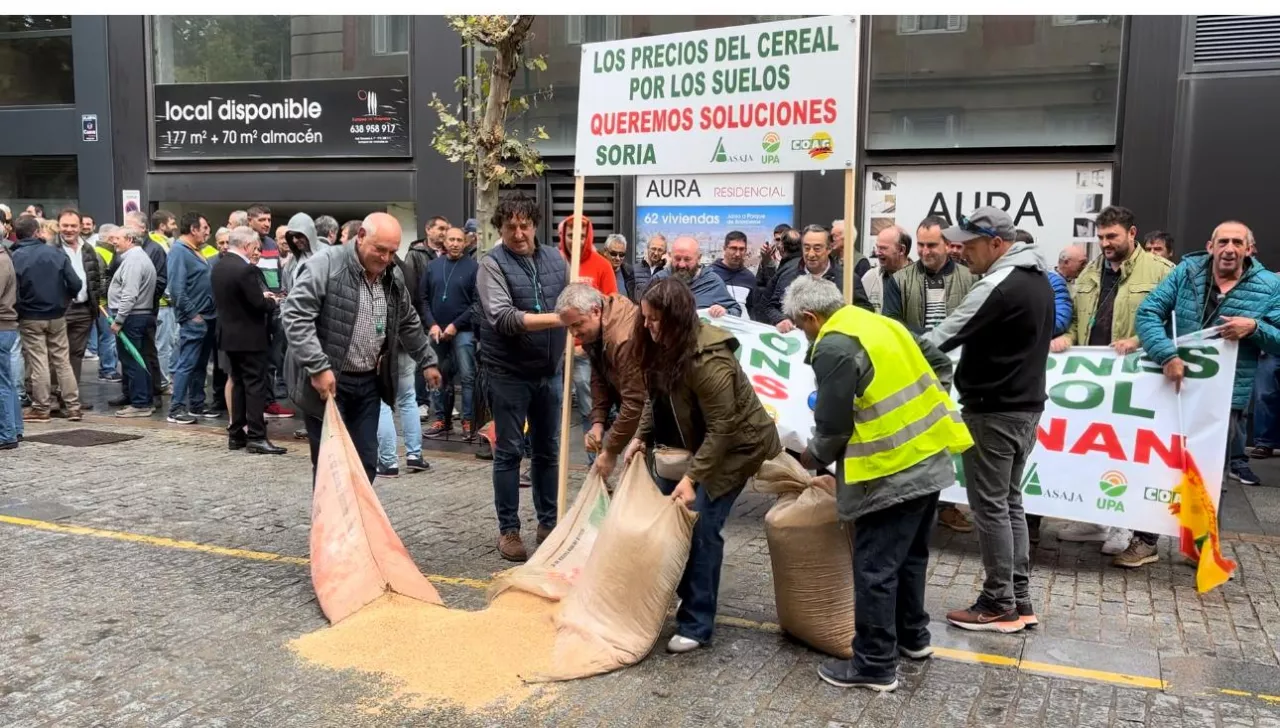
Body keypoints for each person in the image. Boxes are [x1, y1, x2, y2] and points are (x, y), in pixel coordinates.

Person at [787, 276, 970, 692]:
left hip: (888, 470)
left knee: (874, 568)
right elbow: (941, 364)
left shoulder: (832, 345)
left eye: (802, 327)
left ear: (811, 317)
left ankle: (874, 664)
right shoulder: (880, 322)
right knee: (910, 558)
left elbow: (832, 429)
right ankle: (913, 638)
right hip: (928, 457)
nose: (804, 335)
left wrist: (810, 457)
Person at [622, 277, 782, 654]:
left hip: (737, 447)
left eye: (655, 320)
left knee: (702, 525)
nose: (647, 327)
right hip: (696, 443)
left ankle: (697, 623)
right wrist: (640, 437)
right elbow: (654, 398)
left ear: (675, 320)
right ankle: (686, 592)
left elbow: (724, 426)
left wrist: (693, 478)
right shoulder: (660, 346)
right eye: (644, 319)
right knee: (668, 518)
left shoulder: (710, 360)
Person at [923, 207, 1055, 633]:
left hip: (994, 409)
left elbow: (941, 339)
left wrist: (885, 349)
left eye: (970, 244)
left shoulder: (998, 285)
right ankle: (1019, 598)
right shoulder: (1039, 278)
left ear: (997, 244)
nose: (961, 250)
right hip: (1024, 407)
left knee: (990, 509)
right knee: (1009, 503)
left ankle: (999, 602)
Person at [1133, 220, 1280, 564]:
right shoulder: (1186, 272)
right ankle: (1145, 540)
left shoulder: (1270, 285)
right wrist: (1165, 354)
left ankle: (1201, 544)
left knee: (1211, 470)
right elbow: (1149, 313)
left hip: (1226, 397)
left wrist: (1255, 328)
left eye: (1237, 243)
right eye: (1223, 241)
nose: (1229, 248)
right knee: (1159, 462)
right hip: (1174, 387)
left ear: (1249, 250)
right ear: (1210, 246)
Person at [1050, 206, 1173, 556]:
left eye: (1112, 236)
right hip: (1095, 379)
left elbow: (1174, 326)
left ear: (1132, 234)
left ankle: (1124, 523)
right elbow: (1075, 320)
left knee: (1130, 452)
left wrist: (1139, 341)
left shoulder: (1162, 272)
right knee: (1093, 449)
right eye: (1101, 237)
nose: (1105, 243)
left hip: (1138, 380)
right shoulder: (1090, 272)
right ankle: (1095, 520)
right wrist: (1068, 339)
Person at [282, 213, 440, 484]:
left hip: (367, 384)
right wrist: (318, 366)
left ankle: (355, 524)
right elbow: (295, 316)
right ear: (361, 237)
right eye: (380, 250)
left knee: (366, 462)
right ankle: (331, 526)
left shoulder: (392, 275)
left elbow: (407, 320)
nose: (385, 258)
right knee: (330, 467)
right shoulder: (326, 264)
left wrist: (427, 360)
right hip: (328, 386)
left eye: (392, 252)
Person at [476, 195, 568, 562]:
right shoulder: (490, 265)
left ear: (535, 225)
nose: (518, 233)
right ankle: (509, 530)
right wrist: (562, 318)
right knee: (510, 452)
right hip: (508, 375)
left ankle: (549, 524)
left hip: (550, 373)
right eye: (510, 226)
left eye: (524, 225)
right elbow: (504, 318)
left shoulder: (555, 260)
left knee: (548, 452)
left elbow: (568, 298)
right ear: (500, 229)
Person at [555, 283, 645, 480]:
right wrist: (597, 423)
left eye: (577, 324)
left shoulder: (622, 339)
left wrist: (611, 452)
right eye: (569, 327)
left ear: (596, 311)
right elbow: (600, 377)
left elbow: (635, 402)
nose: (574, 334)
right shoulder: (598, 326)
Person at [213, 227, 286, 455]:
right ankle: (256, 436)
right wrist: (272, 301)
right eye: (255, 247)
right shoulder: (244, 270)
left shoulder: (219, 266)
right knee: (255, 386)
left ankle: (236, 434)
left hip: (229, 335)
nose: (257, 251)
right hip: (249, 337)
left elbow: (234, 299)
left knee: (238, 383)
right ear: (246, 246)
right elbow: (257, 304)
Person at [11, 214, 83, 422]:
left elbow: (13, 290)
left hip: (30, 315)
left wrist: (20, 307)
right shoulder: (56, 254)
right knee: (62, 361)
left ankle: (41, 407)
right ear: (37, 232)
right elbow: (76, 283)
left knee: (38, 361)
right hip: (57, 314)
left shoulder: (16, 257)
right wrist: (65, 299)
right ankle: (73, 406)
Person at [421, 226, 479, 440]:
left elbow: (476, 304)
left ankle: (468, 420)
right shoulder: (432, 267)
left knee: (467, 376)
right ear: (444, 242)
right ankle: (441, 420)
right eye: (451, 239)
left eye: (459, 240)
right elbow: (424, 300)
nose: (454, 243)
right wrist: (432, 324)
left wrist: (455, 325)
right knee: (437, 377)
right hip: (436, 331)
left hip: (463, 331)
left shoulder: (474, 268)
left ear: (466, 243)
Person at [164, 212, 219, 424]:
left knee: (199, 364)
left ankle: (196, 404)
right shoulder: (179, 251)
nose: (208, 232)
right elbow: (177, 289)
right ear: (193, 229)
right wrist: (193, 315)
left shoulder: (196, 251)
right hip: (195, 319)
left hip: (206, 317)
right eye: (204, 228)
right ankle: (176, 408)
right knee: (186, 363)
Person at [765, 224, 871, 332]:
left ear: (829, 249)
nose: (811, 254)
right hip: (794, 342)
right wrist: (780, 319)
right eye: (806, 248)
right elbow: (771, 307)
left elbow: (866, 311)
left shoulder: (847, 279)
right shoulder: (788, 274)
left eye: (817, 248)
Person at [53, 208, 104, 409]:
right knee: (56, 355)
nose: (69, 229)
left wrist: (96, 300)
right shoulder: (52, 248)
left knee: (76, 355)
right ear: (58, 226)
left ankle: (71, 397)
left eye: (73, 225)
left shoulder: (88, 249)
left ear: (80, 226)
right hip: (61, 310)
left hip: (84, 310)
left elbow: (96, 277)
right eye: (65, 225)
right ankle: (55, 396)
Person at [246, 204, 293, 419]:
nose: (267, 223)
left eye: (268, 219)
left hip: (274, 308)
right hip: (256, 308)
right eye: (262, 219)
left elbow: (276, 273)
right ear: (250, 221)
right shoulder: (247, 242)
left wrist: (280, 293)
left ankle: (269, 401)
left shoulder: (272, 244)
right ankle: (259, 404)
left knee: (272, 359)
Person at [106, 226, 158, 418]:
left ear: (129, 239)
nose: (113, 241)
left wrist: (119, 319)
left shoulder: (134, 261)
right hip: (138, 316)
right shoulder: (138, 258)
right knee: (138, 359)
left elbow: (129, 294)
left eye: (117, 238)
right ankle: (143, 400)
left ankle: (140, 403)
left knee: (132, 361)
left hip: (132, 318)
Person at [404, 215, 447, 418]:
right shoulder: (415, 254)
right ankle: (421, 402)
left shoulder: (449, 254)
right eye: (439, 228)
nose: (443, 232)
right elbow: (410, 285)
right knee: (423, 359)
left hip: (444, 318)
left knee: (441, 360)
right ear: (428, 230)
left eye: (446, 228)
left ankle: (442, 400)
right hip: (421, 316)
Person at [653, 236, 741, 317]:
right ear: (670, 256)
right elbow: (642, 310)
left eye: (687, 259)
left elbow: (735, 310)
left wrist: (724, 312)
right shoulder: (659, 280)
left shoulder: (712, 282)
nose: (682, 264)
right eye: (677, 259)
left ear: (698, 258)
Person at [863, 226, 911, 313]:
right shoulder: (869, 278)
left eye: (883, 248)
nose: (877, 252)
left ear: (901, 250)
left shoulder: (921, 279)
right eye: (877, 247)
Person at [0, 234, 19, 448]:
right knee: (7, 381)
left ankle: (7, 434)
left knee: (2, 383)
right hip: (6, 326)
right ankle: (15, 429)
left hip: (2, 326)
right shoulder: (5, 257)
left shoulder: (1, 261)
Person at [710, 231, 756, 318]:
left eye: (741, 249)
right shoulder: (710, 273)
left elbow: (752, 308)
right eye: (733, 248)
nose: (738, 254)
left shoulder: (749, 278)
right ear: (724, 248)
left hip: (742, 328)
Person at [633, 233, 667, 299]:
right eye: (653, 249)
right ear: (648, 249)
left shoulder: (667, 272)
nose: (656, 253)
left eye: (660, 250)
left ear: (664, 252)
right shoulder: (634, 270)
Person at [604, 234, 635, 300]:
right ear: (605, 252)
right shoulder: (598, 271)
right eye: (613, 254)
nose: (618, 258)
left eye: (621, 255)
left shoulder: (628, 272)